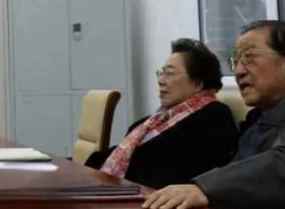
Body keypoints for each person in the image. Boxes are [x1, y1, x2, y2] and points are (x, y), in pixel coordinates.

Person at [143, 21, 285, 209]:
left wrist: (204, 188)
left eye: (249, 58)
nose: (238, 71)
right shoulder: (257, 118)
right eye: (235, 61)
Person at [86, 39, 237, 189]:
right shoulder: (159, 119)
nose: (160, 81)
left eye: (169, 73)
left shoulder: (214, 118)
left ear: (197, 84)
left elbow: (173, 175)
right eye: (161, 73)